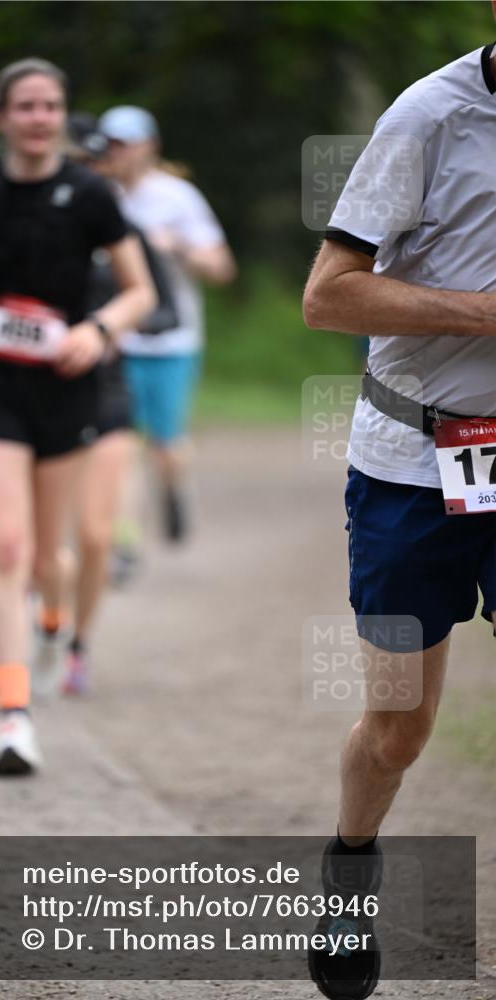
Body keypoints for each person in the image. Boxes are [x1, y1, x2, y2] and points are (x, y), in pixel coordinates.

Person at [303, 30, 495, 1000]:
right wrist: (483, 313)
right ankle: (348, 860)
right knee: (396, 726)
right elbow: (326, 298)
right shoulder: (429, 116)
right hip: (405, 466)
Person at [0, 59, 154, 776]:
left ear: (61, 114)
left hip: (65, 389)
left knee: (51, 557)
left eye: (51, 105)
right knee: (7, 546)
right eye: (26, 106)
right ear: (2, 117)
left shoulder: (89, 195)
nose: (40, 117)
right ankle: (12, 719)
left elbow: (136, 291)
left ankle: (53, 624)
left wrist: (98, 330)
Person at [30, 112, 179, 695]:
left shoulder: (127, 237)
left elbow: (164, 308)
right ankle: (46, 618)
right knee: (42, 547)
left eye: (99, 166)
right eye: (79, 165)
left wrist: (112, 327)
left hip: (106, 395)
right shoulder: (31, 233)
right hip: (34, 400)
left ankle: (77, 649)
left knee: (94, 536)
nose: (89, 177)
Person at [97, 105, 237, 543]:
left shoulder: (178, 197)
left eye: (124, 143)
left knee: (165, 446)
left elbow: (221, 267)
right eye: (110, 144)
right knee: (120, 445)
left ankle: (174, 488)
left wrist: (174, 246)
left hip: (171, 342)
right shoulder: (97, 195)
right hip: (116, 340)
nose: (115, 152)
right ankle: (124, 541)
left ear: (149, 147)